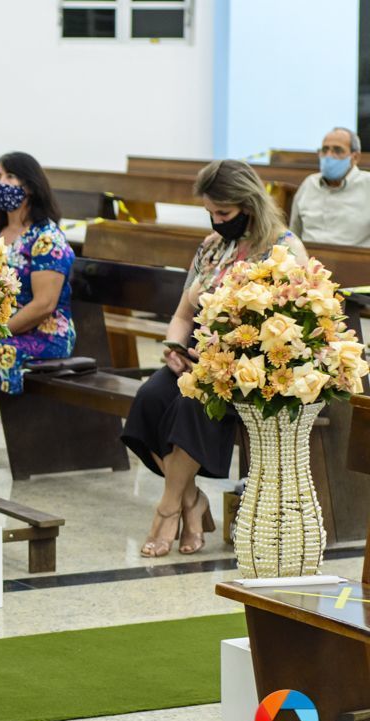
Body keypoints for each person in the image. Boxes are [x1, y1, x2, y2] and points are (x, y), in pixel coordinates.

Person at [122, 160, 308, 557]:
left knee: (192, 404)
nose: (216, 221)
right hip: (198, 358)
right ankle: (193, 501)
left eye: (223, 213)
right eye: (210, 213)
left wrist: (223, 361)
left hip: (251, 367)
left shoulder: (283, 249)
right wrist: (173, 348)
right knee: (150, 399)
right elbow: (182, 315)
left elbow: (292, 330)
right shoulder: (211, 247)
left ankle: (168, 509)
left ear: (249, 205)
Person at [0, 152, 76, 415]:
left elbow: (44, 304)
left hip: (44, 334)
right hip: (0, 329)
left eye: (10, 176)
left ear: (29, 186)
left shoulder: (46, 238)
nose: (1, 183)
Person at [288, 127, 370, 247]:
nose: (329, 156)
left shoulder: (367, 184)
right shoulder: (309, 184)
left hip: (355, 258)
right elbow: (294, 235)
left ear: (355, 157)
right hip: (308, 257)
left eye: (338, 150)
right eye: (325, 150)